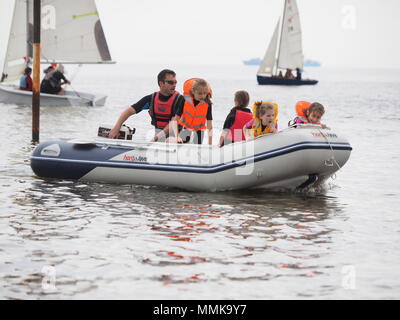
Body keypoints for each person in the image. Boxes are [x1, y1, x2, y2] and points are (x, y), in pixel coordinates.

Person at [108, 69, 185, 141]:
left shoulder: (180, 100)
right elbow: (129, 111)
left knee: (169, 140)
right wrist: (116, 128)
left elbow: (172, 124)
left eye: (175, 82)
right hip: (159, 137)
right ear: (161, 83)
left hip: (177, 137)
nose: (174, 85)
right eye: (171, 82)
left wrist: (156, 138)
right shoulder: (151, 99)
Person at [169, 78, 213, 145]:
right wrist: (177, 136)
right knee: (179, 142)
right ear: (193, 91)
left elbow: (209, 125)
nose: (203, 96)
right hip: (185, 127)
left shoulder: (207, 104)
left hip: (199, 130)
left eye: (205, 93)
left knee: (198, 149)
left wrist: (210, 143)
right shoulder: (184, 99)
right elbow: (175, 120)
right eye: (200, 93)